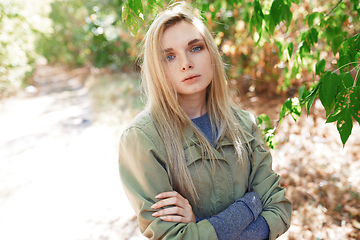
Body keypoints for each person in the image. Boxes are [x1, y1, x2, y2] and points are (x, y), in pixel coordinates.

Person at [118, 2, 292, 239]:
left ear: (211, 52)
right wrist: (249, 206)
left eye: (196, 48)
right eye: (169, 56)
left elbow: (279, 210)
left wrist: (200, 225)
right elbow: (170, 235)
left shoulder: (244, 123)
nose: (185, 63)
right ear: (157, 68)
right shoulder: (142, 138)